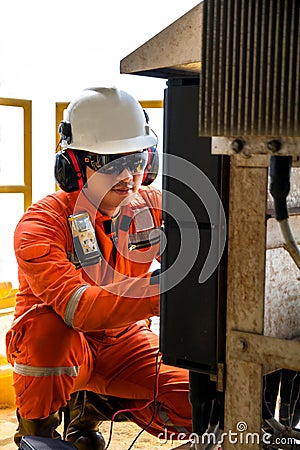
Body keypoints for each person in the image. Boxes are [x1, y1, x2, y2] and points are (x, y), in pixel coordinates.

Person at [6, 87, 192, 449]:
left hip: (124, 340)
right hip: (64, 343)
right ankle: (39, 435)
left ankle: (90, 409)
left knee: (200, 398)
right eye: (110, 163)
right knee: (47, 332)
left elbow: (197, 259)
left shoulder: (152, 207)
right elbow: (77, 308)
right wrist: (161, 294)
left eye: (136, 160)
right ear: (74, 166)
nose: (128, 176)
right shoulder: (41, 224)